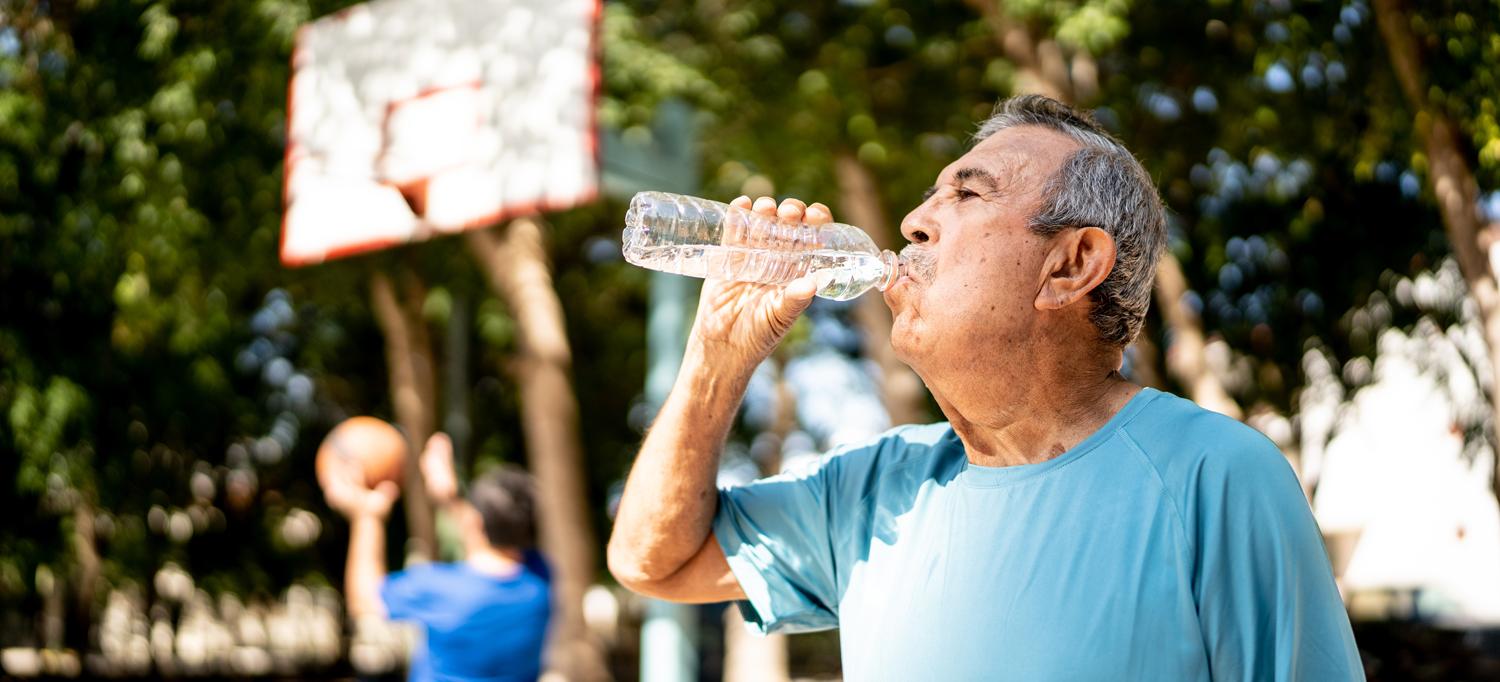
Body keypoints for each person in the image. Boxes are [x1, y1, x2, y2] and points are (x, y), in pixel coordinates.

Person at [608, 95, 1362, 680]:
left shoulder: (1215, 477)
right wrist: (717, 356)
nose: (912, 222)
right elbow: (654, 562)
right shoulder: (874, 490)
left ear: (1071, 265)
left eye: (967, 196)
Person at [322, 432, 550, 682]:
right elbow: (490, 530)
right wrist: (449, 498)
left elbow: (365, 599)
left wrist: (367, 516)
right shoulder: (542, 580)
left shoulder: (445, 590)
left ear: (477, 522)